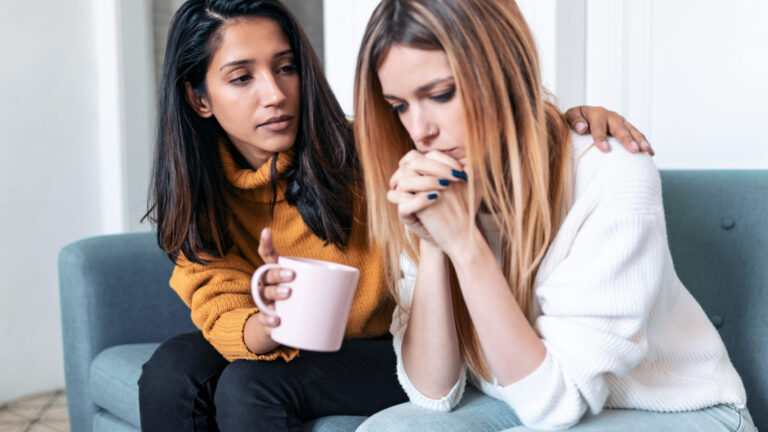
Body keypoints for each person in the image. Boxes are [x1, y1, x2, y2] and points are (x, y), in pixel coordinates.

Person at [138, 0, 648, 430]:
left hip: (394, 342)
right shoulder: (197, 196)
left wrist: (570, 119)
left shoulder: (373, 146)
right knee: (172, 369)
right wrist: (274, 321)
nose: (274, 94)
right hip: (295, 338)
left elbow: (485, 122)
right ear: (199, 98)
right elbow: (219, 308)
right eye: (242, 77)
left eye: (286, 66)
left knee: (251, 387)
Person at [353, 1, 755, 431]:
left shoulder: (610, 171)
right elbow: (432, 394)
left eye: (441, 94)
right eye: (399, 105)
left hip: (674, 409)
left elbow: (556, 405)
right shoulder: (434, 179)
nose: (419, 130)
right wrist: (434, 244)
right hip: (525, 401)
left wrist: (465, 245)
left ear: (504, 72)